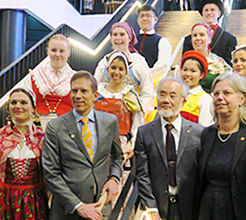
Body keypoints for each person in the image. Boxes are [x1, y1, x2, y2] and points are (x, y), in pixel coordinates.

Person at [42, 71, 124, 220]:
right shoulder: (55, 126)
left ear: (95, 95)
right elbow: (50, 173)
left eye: (84, 91)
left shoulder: (110, 122)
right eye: (74, 91)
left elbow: (118, 156)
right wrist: (78, 205)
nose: (77, 96)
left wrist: (114, 178)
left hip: (100, 209)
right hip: (67, 212)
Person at [198, 72, 246, 220]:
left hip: (242, 214)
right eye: (216, 94)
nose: (220, 98)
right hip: (207, 212)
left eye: (227, 93)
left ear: (242, 98)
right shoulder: (207, 134)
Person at [134, 77, 204, 220]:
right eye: (162, 94)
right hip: (157, 208)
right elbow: (143, 174)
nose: (166, 100)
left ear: (183, 101)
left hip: (190, 208)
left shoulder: (200, 133)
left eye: (173, 96)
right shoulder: (144, 133)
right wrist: (151, 208)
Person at [0, 88, 48, 219]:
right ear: (8, 108)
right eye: (13, 102)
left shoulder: (42, 139)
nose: (18, 106)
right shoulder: (0, 137)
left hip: (34, 201)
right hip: (4, 200)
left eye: (23, 102)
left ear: (33, 108)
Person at [95, 51, 144, 164]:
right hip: (97, 142)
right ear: (107, 70)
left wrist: (132, 144)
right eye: (113, 68)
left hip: (121, 144)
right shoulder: (97, 93)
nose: (116, 72)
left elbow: (137, 122)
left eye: (121, 69)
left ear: (126, 72)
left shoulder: (130, 95)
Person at [94, 22, 154, 114]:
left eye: (122, 34)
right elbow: (95, 88)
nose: (118, 38)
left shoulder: (138, 62)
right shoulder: (104, 62)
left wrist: (138, 112)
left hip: (129, 114)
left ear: (129, 37)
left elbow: (147, 93)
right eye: (115, 35)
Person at [24, 34, 75, 129]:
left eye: (62, 51)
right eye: (53, 50)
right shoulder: (34, 75)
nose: (57, 54)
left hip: (67, 127)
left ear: (68, 53)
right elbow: (25, 102)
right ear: (48, 51)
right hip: (37, 128)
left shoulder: (76, 78)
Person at [182, 0, 237, 66]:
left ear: (219, 13)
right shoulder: (189, 39)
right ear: (202, 13)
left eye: (212, 10)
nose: (209, 13)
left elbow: (229, 64)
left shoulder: (229, 39)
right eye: (206, 10)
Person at [134, 5, 172, 85]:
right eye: (142, 16)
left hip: (153, 86)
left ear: (155, 19)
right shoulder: (131, 41)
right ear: (138, 20)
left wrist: (143, 80)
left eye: (148, 16)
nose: (144, 19)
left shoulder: (162, 42)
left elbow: (162, 66)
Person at [190, 23, 232, 93]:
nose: (198, 38)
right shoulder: (185, 62)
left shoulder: (219, 62)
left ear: (209, 39)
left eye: (202, 35)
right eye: (195, 35)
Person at [179, 50, 214, 126]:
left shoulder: (205, 99)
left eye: (193, 71)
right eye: (185, 70)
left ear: (201, 75)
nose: (188, 74)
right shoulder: (175, 95)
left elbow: (205, 128)